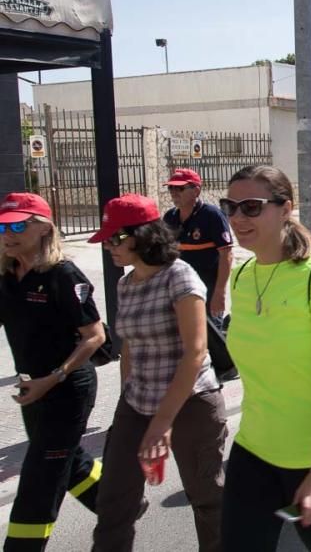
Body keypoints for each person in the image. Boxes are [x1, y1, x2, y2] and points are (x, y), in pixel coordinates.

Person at [220, 165, 311, 552]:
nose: (238, 218)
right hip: (255, 448)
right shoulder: (242, 276)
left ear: (285, 209)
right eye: (230, 207)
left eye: (251, 207)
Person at [90, 194, 226, 551]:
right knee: (114, 500)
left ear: (145, 235)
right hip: (137, 403)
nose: (109, 246)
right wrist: (127, 404)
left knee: (209, 500)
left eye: (115, 238)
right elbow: (129, 350)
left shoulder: (179, 277)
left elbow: (195, 353)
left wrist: (161, 424)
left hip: (191, 402)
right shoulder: (125, 283)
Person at [0, 193, 106, 552]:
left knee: (40, 478)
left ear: (44, 227)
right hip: (33, 387)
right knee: (69, 458)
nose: (7, 233)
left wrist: (54, 377)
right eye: (2, 226)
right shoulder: (7, 274)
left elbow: (95, 336)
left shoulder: (62, 274)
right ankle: (117, 504)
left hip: (67, 387)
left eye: (17, 225)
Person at [162, 168, 236, 380]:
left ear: (196, 190)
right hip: (182, 285)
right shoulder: (170, 217)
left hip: (208, 283)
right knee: (186, 328)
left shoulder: (211, 215)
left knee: (211, 327)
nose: (174, 193)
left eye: (180, 188)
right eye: (171, 189)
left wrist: (220, 292)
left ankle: (226, 367)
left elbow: (226, 254)